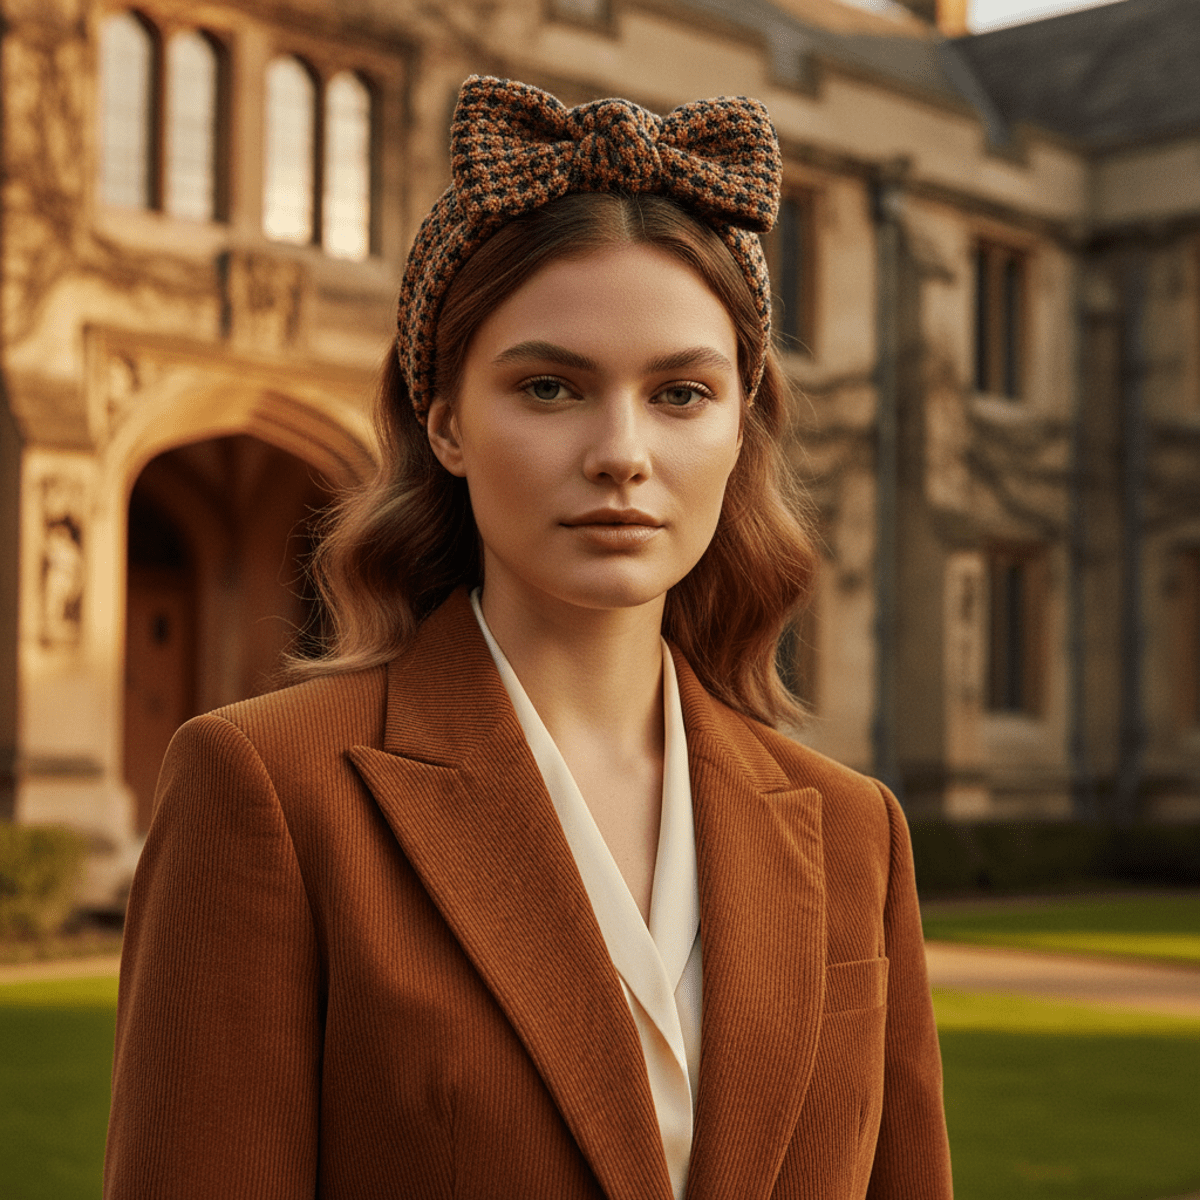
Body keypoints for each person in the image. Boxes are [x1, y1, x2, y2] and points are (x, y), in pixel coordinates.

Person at [104, 76, 953, 1200]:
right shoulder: (267, 787)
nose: (621, 452)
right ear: (446, 420)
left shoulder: (854, 830)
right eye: (551, 387)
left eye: (681, 394)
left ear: (740, 418)